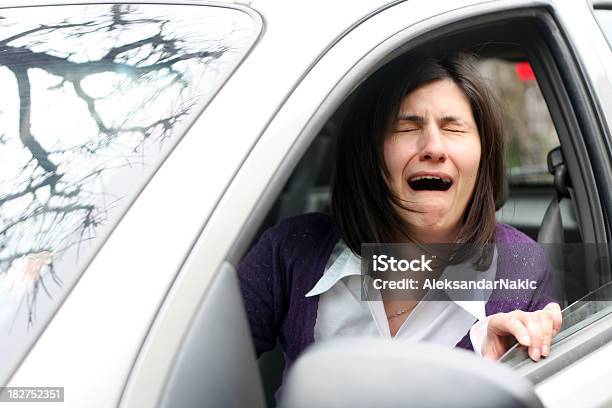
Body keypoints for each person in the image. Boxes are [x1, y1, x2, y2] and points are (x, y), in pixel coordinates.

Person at [237, 53, 562, 371]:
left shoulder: (522, 268)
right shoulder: (290, 250)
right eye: (406, 127)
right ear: (368, 154)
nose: (434, 148)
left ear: (483, 154)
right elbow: (198, 369)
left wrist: (494, 368)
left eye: (454, 128)